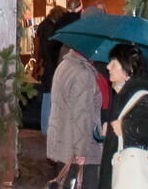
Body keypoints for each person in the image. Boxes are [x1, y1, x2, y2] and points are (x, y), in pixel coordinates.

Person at [98, 44, 148, 189]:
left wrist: (125, 128)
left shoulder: (140, 94)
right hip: (124, 171)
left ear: (128, 68)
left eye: (114, 63)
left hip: (133, 172)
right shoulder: (124, 92)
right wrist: (110, 130)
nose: (108, 67)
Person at [47, 47, 102, 189]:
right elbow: (81, 115)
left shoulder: (64, 65)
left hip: (63, 142)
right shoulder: (84, 74)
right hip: (77, 147)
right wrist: (81, 151)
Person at [34, 6, 67, 133]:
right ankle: (46, 129)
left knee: (47, 96)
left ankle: (45, 128)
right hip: (50, 68)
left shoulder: (43, 26)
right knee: (48, 97)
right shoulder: (50, 28)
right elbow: (49, 50)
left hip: (46, 66)